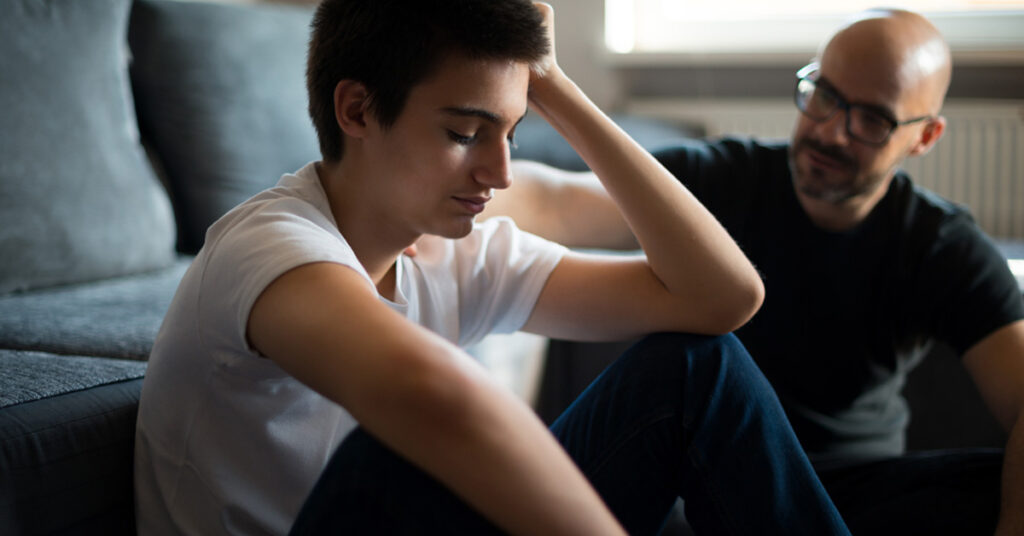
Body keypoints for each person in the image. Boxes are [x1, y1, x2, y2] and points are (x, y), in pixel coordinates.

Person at [131, 1, 857, 535]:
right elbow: (436, 398)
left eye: (511, 133)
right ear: (355, 108)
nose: (501, 171)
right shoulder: (272, 246)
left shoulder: (457, 249)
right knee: (397, 456)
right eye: (465, 133)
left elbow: (723, 297)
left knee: (699, 370)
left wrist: (560, 91)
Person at [485, 8, 1024, 536]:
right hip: (713, 478)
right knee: (696, 367)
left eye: (871, 120)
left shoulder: (940, 244)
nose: (832, 132)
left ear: (924, 137)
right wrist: (438, 196)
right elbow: (558, 200)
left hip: (854, 495)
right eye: (824, 96)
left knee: (993, 483)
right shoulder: (729, 179)